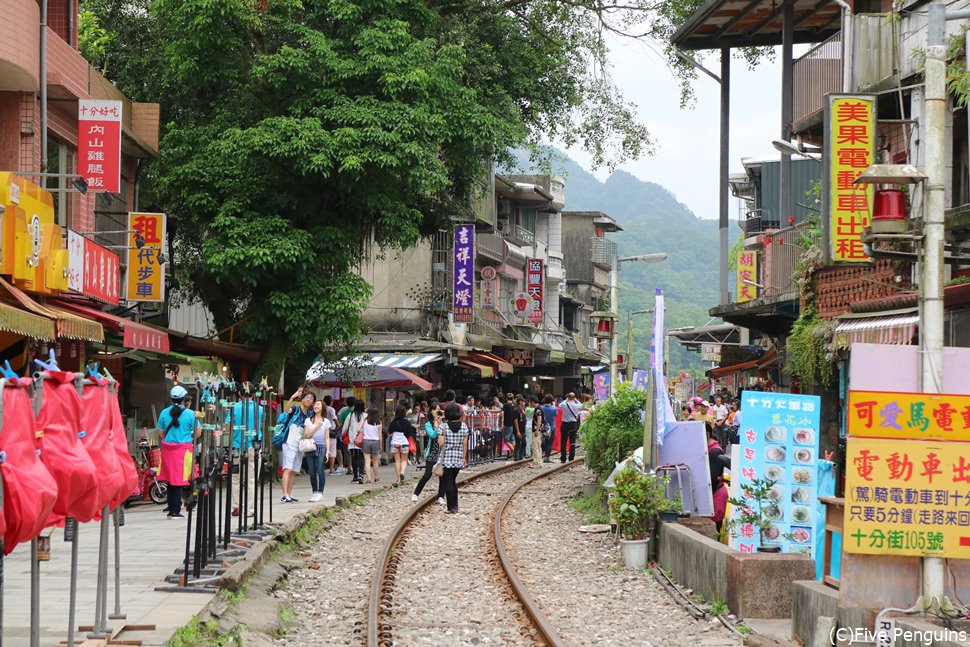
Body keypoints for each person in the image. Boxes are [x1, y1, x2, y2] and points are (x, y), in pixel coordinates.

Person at [156, 385, 200, 519]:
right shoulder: (190, 414)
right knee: (185, 478)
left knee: (171, 480)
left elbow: (160, 433)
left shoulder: (164, 413)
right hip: (183, 451)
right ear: (183, 399)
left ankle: (172, 507)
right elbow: (198, 433)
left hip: (168, 451)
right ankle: (176, 509)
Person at [223, 381, 264, 517]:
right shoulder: (260, 409)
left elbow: (227, 427)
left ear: (239, 393)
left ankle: (236, 507)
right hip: (254, 446)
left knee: (235, 478)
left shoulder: (234, 408)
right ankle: (250, 509)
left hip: (236, 446)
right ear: (253, 394)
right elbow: (261, 426)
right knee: (251, 479)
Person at [279, 387, 315, 502]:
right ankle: (285, 495)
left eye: (311, 398)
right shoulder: (295, 409)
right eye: (307, 397)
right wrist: (292, 397)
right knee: (287, 469)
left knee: (294, 471)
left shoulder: (309, 414)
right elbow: (286, 410)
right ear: (302, 399)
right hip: (290, 442)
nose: (308, 400)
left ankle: (289, 494)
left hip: (300, 445)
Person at [438, 402, 469, 513]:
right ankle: (455, 506)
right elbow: (465, 444)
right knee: (453, 481)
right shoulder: (464, 427)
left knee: (448, 482)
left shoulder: (443, 426)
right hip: (458, 457)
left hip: (446, 458)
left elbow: (441, 443)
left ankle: (451, 507)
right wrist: (464, 458)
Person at [412, 402, 444, 503]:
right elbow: (433, 435)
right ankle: (415, 493)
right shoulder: (428, 424)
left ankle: (441, 497)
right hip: (432, 451)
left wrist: (441, 422)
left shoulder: (444, 422)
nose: (436, 411)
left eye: (438, 409)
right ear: (431, 411)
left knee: (442, 475)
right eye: (435, 409)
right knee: (428, 474)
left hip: (442, 451)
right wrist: (438, 425)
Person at [304, 400, 332, 502]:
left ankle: (320, 493)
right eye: (315, 404)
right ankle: (314, 492)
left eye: (318, 405)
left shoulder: (326, 421)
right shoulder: (308, 420)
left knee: (320, 470)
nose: (315, 406)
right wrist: (317, 426)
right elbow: (306, 435)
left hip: (321, 447)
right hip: (310, 446)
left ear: (322, 407)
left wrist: (328, 451)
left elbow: (327, 437)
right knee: (312, 471)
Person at [706, 421, 731, 532]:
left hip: (715, 495)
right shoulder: (706, 449)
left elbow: (713, 478)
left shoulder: (715, 451)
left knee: (715, 531)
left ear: (707, 434)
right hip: (710, 495)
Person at [342, 400, 366, 483]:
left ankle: (355, 476)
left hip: (352, 440)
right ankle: (361, 475)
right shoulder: (365, 415)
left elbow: (345, 426)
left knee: (354, 458)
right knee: (361, 457)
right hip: (362, 440)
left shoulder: (351, 415)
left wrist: (343, 434)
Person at [358, 407, 383, 483]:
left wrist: (362, 431)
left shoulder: (364, 421)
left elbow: (358, 430)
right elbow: (380, 435)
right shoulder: (379, 422)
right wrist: (380, 444)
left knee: (367, 461)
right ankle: (376, 477)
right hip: (376, 442)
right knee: (375, 461)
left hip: (366, 441)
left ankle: (369, 479)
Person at [388, 405, 411, 484]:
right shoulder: (407, 422)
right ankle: (402, 472)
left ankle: (398, 479)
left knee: (397, 461)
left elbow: (389, 432)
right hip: (404, 443)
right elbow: (409, 433)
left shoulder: (393, 422)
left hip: (395, 443)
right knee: (404, 460)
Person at [558, 392, 581, 463]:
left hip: (565, 424)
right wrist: (576, 400)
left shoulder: (564, 405)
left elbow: (559, 405)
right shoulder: (577, 406)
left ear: (568, 397)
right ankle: (571, 457)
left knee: (563, 441)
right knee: (572, 442)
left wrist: (566, 400)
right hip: (573, 424)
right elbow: (582, 405)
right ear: (574, 398)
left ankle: (563, 458)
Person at [323, 395, 342, 475]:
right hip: (331, 431)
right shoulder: (331, 409)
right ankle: (331, 468)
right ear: (331, 402)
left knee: (322, 449)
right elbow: (335, 419)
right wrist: (339, 425)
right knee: (332, 450)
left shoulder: (322, 409)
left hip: (322, 430)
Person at [539, 395, 557, 463]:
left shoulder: (541, 408)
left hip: (543, 427)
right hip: (552, 427)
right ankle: (547, 457)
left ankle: (541, 455)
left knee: (544, 441)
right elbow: (556, 414)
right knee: (550, 443)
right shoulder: (553, 409)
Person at [502, 393, 517, 460]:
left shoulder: (506, 405)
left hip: (508, 425)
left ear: (506, 398)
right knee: (512, 439)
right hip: (514, 425)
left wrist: (488, 410)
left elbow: (499, 411)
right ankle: (512, 455)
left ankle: (515, 451)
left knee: (506, 440)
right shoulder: (514, 405)